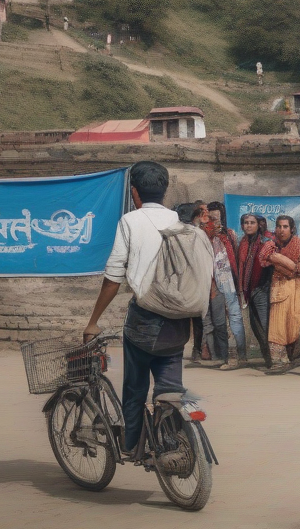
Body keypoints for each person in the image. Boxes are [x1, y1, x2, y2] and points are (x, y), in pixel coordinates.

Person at [83, 162, 211, 460]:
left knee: (135, 388)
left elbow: (114, 277)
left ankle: (130, 445)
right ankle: (173, 439)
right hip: (180, 323)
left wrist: (93, 321)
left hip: (144, 321)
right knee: (170, 386)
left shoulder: (130, 221)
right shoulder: (183, 224)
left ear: (134, 192)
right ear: (165, 190)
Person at [262, 215, 300, 373]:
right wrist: (287, 265)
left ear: (292, 229)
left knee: (294, 323)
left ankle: (295, 357)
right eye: (279, 227)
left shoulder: (298, 244)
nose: (281, 230)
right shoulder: (271, 245)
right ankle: (278, 361)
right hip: (278, 288)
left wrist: (290, 266)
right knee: (277, 325)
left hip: (296, 288)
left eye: (285, 227)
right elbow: (263, 260)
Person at [203, 201, 247, 370]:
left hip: (230, 283)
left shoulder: (230, 235)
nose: (215, 222)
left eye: (217, 219)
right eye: (211, 219)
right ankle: (222, 356)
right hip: (213, 284)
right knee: (218, 322)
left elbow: (236, 257)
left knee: (236, 318)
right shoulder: (204, 237)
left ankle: (242, 356)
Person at [237, 214, 275, 368]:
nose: (248, 226)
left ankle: (273, 359)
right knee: (255, 325)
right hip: (249, 290)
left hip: (262, 289)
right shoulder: (244, 243)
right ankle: (268, 358)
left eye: (252, 223)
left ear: (258, 225)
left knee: (266, 325)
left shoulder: (266, 242)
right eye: (246, 223)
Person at [175, 203, 210, 364]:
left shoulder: (198, 234)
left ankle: (195, 350)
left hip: (193, 280)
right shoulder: (183, 233)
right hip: (185, 281)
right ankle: (184, 350)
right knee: (185, 319)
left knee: (194, 319)